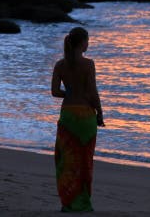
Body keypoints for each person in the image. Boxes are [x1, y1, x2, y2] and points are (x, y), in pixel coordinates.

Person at [51, 27, 104, 212]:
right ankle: (82, 203)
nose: (88, 44)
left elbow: (55, 92)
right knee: (84, 160)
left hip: (68, 115)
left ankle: (68, 203)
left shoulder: (60, 65)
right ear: (82, 43)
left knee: (66, 160)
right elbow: (92, 92)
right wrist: (100, 113)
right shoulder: (89, 64)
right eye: (87, 40)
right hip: (86, 117)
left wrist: (70, 93)